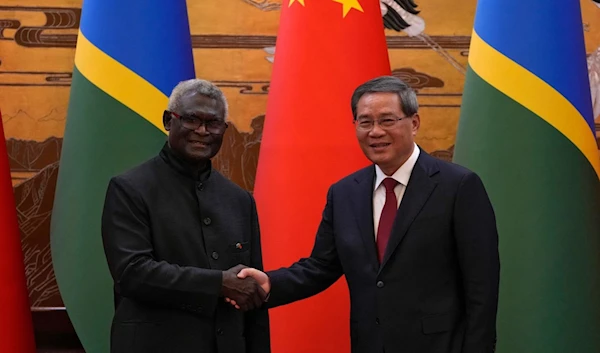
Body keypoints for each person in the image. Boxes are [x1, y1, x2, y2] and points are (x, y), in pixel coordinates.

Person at [234, 76, 499, 353]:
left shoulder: (458, 186)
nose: (375, 132)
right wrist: (270, 283)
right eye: (365, 122)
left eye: (387, 120)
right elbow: (321, 267)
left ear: (415, 123)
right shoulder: (345, 193)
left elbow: (482, 285)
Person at [101, 79, 270, 353]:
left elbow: (251, 292)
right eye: (191, 119)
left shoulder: (239, 200)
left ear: (223, 130)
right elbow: (132, 273)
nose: (202, 131)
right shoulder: (130, 189)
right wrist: (219, 284)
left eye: (213, 123)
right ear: (169, 120)